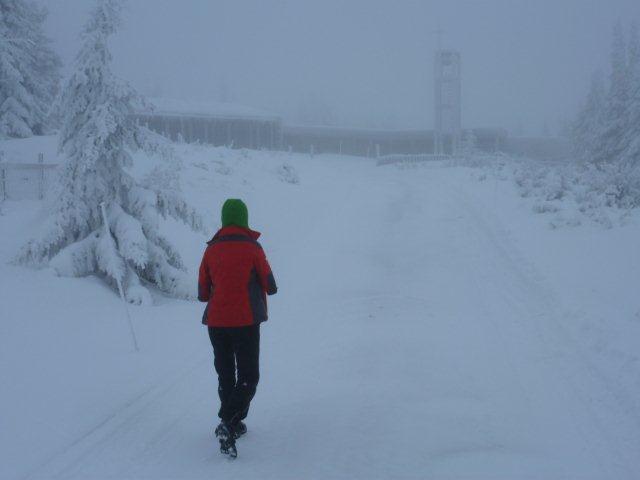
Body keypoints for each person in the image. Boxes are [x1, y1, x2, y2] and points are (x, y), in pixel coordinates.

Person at [198, 198, 277, 458]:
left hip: (217, 323)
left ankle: (233, 423)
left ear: (224, 220)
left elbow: (202, 292)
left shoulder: (211, 249)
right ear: (244, 219)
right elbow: (270, 284)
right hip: (245, 322)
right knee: (248, 376)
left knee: (225, 374)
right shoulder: (253, 247)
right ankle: (228, 422)